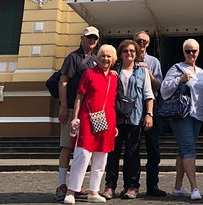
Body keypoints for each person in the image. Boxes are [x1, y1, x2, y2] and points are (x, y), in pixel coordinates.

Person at [63, 45, 118, 204]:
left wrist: (114, 125)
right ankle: (71, 191)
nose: (106, 59)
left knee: (101, 157)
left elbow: (113, 102)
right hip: (88, 118)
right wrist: (75, 117)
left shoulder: (114, 78)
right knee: (82, 154)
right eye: (103, 55)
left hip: (107, 120)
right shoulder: (89, 74)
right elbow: (79, 96)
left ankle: (94, 191)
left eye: (109, 56)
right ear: (98, 57)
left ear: (113, 60)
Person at [161, 38, 203, 201]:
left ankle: (177, 187)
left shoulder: (201, 71)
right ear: (183, 52)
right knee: (189, 149)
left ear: (198, 52)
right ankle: (194, 188)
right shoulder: (177, 68)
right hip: (182, 115)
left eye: (194, 51)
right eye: (188, 51)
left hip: (198, 115)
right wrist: (180, 79)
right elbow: (164, 88)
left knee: (183, 150)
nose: (191, 54)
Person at [103, 40, 154, 200]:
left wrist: (149, 114)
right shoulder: (113, 71)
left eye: (132, 51)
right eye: (126, 51)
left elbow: (148, 94)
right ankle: (110, 186)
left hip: (135, 117)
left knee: (132, 153)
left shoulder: (142, 71)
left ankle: (131, 186)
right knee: (113, 153)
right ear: (121, 53)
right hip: (115, 118)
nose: (129, 54)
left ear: (136, 53)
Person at [56, 26, 101, 201]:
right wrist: (63, 106)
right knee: (67, 146)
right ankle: (61, 184)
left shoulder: (96, 60)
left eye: (95, 38)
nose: (92, 41)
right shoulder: (73, 58)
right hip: (71, 109)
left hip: (88, 112)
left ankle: (76, 184)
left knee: (83, 149)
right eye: (89, 37)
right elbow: (63, 82)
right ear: (82, 38)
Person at [134, 31, 166, 197]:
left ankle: (152, 185)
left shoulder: (154, 61)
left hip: (151, 110)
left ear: (149, 44)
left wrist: (148, 72)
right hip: (132, 112)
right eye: (139, 41)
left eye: (145, 42)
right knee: (133, 150)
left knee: (154, 150)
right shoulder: (128, 58)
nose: (142, 44)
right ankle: (133, 185)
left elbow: (159, 86)